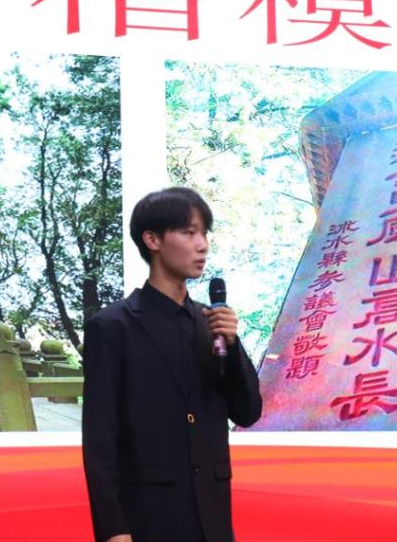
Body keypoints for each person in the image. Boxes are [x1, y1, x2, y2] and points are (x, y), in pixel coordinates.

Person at [82, 187, 262, 542]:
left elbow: (247, 412)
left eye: (205, 233)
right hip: (149, 516)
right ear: (152, 240)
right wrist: (114, 529)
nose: (202, 245)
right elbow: (100, 437)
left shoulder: (211, 323)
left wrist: (232, 344)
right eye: (189, 232)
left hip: (213, 519)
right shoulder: (113, 326)